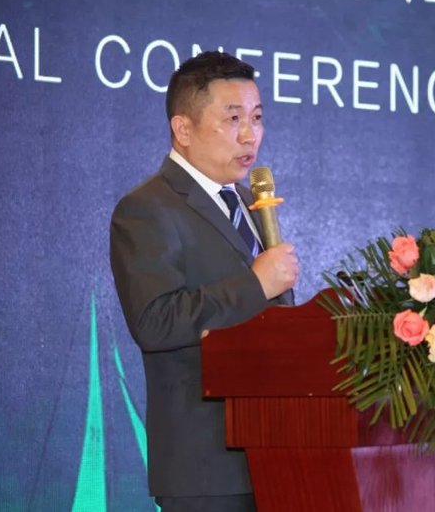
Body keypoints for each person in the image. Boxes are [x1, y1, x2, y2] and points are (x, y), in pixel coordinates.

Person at [109, 51, 299, 512]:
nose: (250, 134)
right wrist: (255, 284)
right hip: (206, 468)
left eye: (257, 117)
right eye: (233, 119)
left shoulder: (250, 202)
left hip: (276, 454)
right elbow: (155, 322)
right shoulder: (147, 208)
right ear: (183, 128)